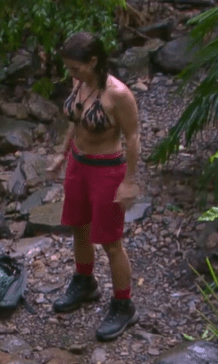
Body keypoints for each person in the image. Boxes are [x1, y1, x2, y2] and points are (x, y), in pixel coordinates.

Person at [46, 31, 140, 341]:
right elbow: (75, 123)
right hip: (78, 165)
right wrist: (62, 156)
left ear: (94, 61)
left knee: (111, 241)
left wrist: (129, 181)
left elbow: (134, 138)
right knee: (78, 227)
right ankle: (85, 282)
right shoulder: (79, 83)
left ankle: (123, 304)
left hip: (107, 171)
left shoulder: (119, 95)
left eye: (75, 67)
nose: (71, 74)